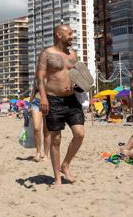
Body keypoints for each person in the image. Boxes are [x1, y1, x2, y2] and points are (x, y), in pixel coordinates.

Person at [36, 24, 85, 186]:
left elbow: (78, 76)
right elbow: (40, 77)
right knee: (56, 139)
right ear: (59, 34)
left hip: (71, 99)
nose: (72, 36)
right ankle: (57, 177)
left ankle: (66, 164)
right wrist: (43, 98)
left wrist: (80, 85)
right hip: (53, 99)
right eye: (69, 34)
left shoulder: (73, 54)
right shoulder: (47, 54)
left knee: (79, 134)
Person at [29, 83, 50, 162]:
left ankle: (46, 154)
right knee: (36, 128)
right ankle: (38, 152)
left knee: (47, 130)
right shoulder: (38, 76)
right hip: (36, 102)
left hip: (49, 103)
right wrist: (29, 105)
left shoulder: (52, 74)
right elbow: (33, 91)